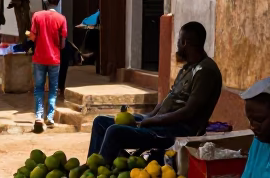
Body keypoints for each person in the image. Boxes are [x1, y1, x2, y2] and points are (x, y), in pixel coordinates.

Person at [87, 22, 223, 161]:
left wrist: (154, 120)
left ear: (184, 42)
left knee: (114, 132)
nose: (177, 45)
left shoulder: (205, 71)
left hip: (175, 131)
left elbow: (188, 112)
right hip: (161, 122)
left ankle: (100, 173)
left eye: (178, 41)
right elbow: (170, 98)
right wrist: (149, 116)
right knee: (100, 122)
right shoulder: (188, 68)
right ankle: (90, 169)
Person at [29, 0, 68, 132]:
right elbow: (63, 44)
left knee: (39, 88)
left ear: (47, 0)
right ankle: (50, 117)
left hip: (39, 57)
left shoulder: (37, 16)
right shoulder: (62, 19)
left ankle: (39, 116)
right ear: (58, 2)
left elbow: (32, 37)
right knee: (53, 88)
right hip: (54, 59)